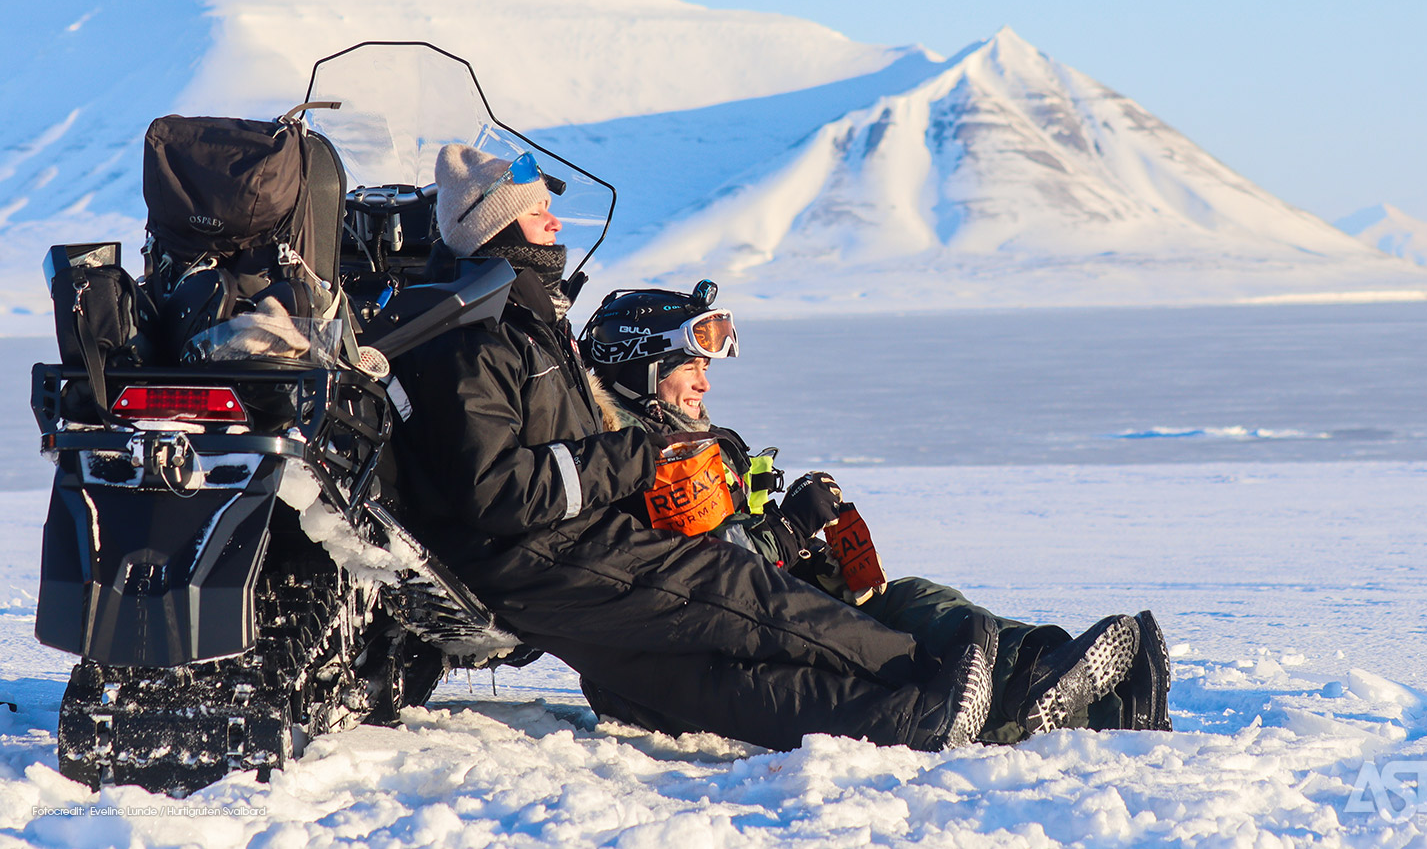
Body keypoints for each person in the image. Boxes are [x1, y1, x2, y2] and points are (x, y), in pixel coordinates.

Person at [389, 143, 1015, 753]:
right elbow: (494, 488)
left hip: (549, 549)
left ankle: (906, 718)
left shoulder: (522, 322)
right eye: (534, 213)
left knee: (693, 687)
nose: (554, 220)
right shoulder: (475, 339)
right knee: (741, 592)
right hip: (540, 551)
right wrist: (639, 457)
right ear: (495, 231)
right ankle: (925, 680)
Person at [578, 284, 1173, 741]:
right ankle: (1035, 702)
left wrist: (818, 547)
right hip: (713, 641)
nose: (704, 385)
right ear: (643, 367)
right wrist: (788, 532)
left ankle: (1076, 680)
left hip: (770, 606)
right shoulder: (628, 459)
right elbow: (696, 575)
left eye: (706, 368)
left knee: (912, 599)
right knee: (900, 652)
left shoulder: (692, 444)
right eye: (692, 367)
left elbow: (736, 539)